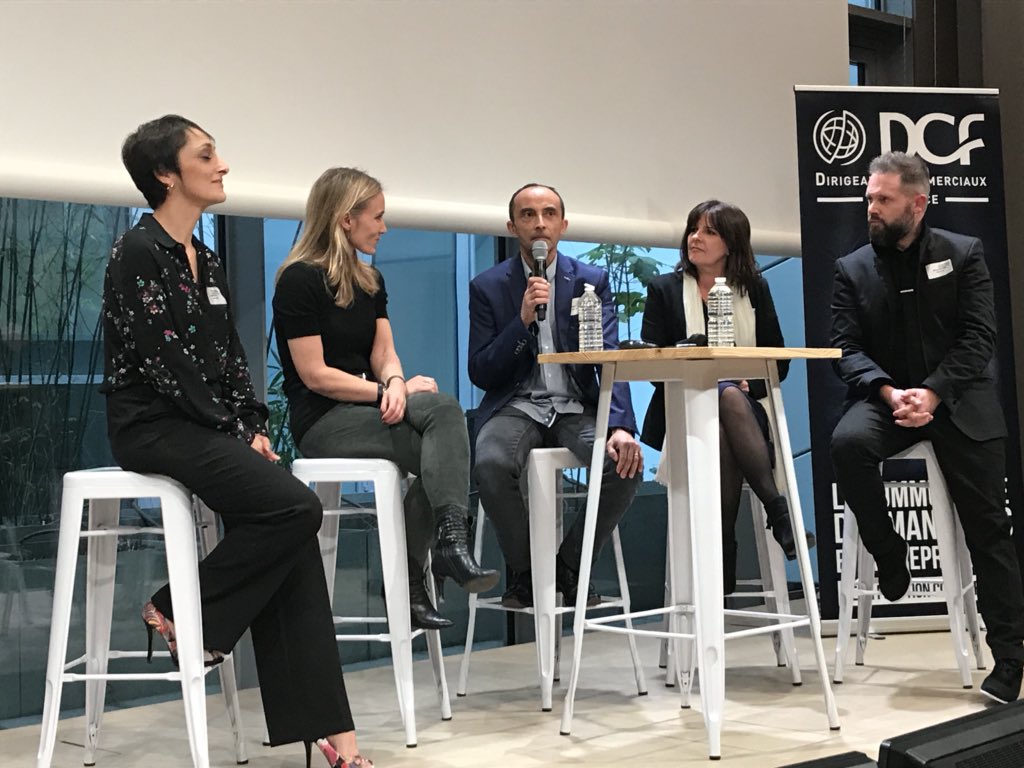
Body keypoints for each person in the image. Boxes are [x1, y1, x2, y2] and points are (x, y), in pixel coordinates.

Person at [101, 116, 372, 768]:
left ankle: (334, 737)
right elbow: (169, 369)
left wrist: (253, 425)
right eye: (206, 154)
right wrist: (232, 430)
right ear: (167, 174)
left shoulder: (208, 258)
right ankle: (178, 612)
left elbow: (230, 361)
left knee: (290, 524)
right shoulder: (136, 254)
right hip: (153, 426)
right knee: (295, 508)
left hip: (206, 425)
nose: (222, 165)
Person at [830, 150, 1024, 704]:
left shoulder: (964, 254)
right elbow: (845, 348)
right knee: (847, 443)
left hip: (957, 400)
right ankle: (888, 555)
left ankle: (1009, 654)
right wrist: (892, 392)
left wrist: (934, 392)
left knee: (989, 525)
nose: (871, 207)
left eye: (882, 199)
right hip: (886, 396)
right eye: (868, 197)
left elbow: (978, 338)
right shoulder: (852, 267)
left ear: (917, 204)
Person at [272, 167, 498, 630]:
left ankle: (436, 556)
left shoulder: (369, 279)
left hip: (371, 404)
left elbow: (384, 353)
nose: (384, 227)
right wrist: (384, 390)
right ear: (344, 219)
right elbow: (314, 376)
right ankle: (432, 561)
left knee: (442, 429)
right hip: (323, 419)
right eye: (376, 216)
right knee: (443, 450)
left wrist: (395, 381)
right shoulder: (298, 280)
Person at [469, 183, 643, 609]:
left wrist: (619, 425)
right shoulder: (488, 286)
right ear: (513, 227)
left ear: (563, 225)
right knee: (490, 461)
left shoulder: (590, 281)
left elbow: (609, 357)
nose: (539, 223)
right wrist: (521, 320)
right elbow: (481, 371)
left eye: (548, 213)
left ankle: (569, 564)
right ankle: (527, 572)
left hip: (573, 405)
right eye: (528, 215)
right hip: (517, 405)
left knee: (624, 465)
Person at [639, 200, 806, 594]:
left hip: (747, 410)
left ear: (731, 244)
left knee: (729, 399)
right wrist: (704, 378)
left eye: (709, 231)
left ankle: (724, 549)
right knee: (722, 400)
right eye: (693, 229)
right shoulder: (663, 290)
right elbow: (648, 365)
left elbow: (777, 363)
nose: (696, 238)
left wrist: (747, 382)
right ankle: (776, 510)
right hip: (683, 414)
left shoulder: (754, 289)